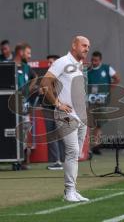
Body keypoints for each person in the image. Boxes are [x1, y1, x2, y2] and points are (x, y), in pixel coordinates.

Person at [40, 36, 90, 202]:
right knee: (72, 151)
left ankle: (73, 191)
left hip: (80, 116)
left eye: (88, 46)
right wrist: (57, 103)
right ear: (74, 45)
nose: (87, 49)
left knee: (75, 155)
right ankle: (69, 192)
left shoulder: (79, 65)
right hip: (65, 114)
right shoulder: (62, 61)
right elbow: (45, 83)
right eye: (84, 45)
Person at [87, 51, 120, 155]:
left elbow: (117, 78)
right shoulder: (88, 70)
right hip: (90, 100)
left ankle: (95, 145)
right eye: (92, 60)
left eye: (96, 60)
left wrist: (109, 89)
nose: (94, 62)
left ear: (100, 60)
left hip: (102, 101)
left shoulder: (106, 68)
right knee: (92, 123)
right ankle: (93, 145)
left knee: (98, 123)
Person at [14, 43, 37, 169]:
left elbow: (35, 77)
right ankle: (13, 158)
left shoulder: (26, 67)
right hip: (11, 106)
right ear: (20, 52)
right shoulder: (9, 65)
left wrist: (29, 89)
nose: (30, 55)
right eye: (27, 53)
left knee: (25, 131)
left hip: (24, 106)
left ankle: (25, 159)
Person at [45, 55, 65, 170]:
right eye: (48, 62)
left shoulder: (59, 76)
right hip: (49, 108)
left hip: (57, 109)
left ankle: (59, 162)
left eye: (51, 62)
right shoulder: (49, 76)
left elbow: (58, 90)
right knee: (55, 135)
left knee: (56, 136)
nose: (49, 64)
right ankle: (60, 160)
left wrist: (46, 90)